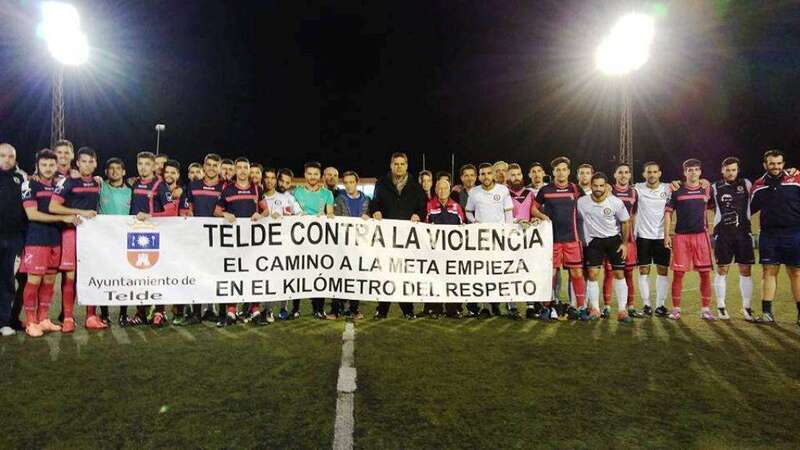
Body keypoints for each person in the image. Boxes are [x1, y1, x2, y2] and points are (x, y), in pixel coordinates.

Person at [19, 150, 80, 337]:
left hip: (55, 239)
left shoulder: (58, 186)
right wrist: (63, 218)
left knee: (49, 282)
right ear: (37, 165)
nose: (47, 168)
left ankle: (44, 319)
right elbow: (32, 214)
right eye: (44, 165)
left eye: (51, 165)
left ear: (56, 166)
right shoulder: (29, 184)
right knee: (34, 281)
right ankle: (31, 322)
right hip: (37, 239)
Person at [49, 147, 103, 331]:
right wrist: (79, 213)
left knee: (91, 274)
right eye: (84, 161)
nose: (87, 165)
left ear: (95, 164)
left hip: (92, 236)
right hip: (71, 234)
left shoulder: (98, 183)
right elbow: (53, 206)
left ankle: (91, 317)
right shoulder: (68, 182)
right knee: (70, 276)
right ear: (78, 163)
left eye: (91, 161)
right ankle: (68, 318)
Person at [369, 152, 427, 319]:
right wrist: (376, 211)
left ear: (407, 166)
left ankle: (408, 310)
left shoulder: (416, 186)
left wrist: (418, 215)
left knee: (404, 275)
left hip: (407, 239)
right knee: (386, 274)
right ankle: (382, 309)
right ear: (391, 165)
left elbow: (422, 207)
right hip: (387, 237)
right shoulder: (381, 183)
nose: (399, 167)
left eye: (402, 164)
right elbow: (374, 202)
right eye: (396, 164)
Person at [122, 151, 176, 327]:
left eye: (147, 164)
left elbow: (171, 211)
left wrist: (150, 216)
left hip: (155, 236)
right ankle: (141, 312)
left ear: (153, 166)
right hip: (136, 236)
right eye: (140, 164)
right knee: (138, 275)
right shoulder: (135, 183)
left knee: (156, 275)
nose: (143, 167)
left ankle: (160, 311)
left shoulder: (160, 186)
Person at [532, 156, 587, 321]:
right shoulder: (545, 190)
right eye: (558, 170)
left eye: (564, 169)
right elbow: (533, 209)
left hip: (572, 238)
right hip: (552, 239)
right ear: (553, 172)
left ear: (568, 172)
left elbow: (588, 205)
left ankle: (581, 307)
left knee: (577, 272)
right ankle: (546, 306)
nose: (561, 172)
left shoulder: (576, 189)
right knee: (551, 274)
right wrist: (543, 216)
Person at [749, 149, 800, 325]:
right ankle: (767, 314)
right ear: (765, 165)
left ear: (783, 164)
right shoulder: (759, 185)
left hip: (795, 232)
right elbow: (748, 210)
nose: (776, 166)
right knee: (768, 271)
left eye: (779, 163)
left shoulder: (796, 179)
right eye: (772, 163)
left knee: (796, 272)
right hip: (769, 235)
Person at [214, 157, 266, 326]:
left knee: (253, 273)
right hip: (233, 241)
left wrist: (260, 214)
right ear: (235, 170)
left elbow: (266, 210)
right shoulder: (228, 189)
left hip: (252, 240)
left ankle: (255, 310)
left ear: (249, 170)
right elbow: (216, 211)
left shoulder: (257, 189)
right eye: (240, 167)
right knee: (233, 274)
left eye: (246, 167)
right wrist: (225, 214)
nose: (243, 171)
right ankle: (231, 311)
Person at [664, 159, 714, 321]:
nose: (693, 172)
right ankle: (676, 309)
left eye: (696, 169)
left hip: (701, 236)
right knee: (678, 274)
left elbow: (715, 207)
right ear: (684, 172)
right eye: (690, 170)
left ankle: (705, 309)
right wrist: (667, 235)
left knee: (705, 274)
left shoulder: (707, 188)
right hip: (681, 237)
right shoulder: (676, 190)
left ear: (700, 172)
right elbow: (668, 213)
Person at [578, 172, 632, 322]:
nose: (598, 188)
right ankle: (595, 309)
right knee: (592, 274)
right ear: (591, 186)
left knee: (619, 274)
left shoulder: (615, 202)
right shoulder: (582, 202)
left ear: (606, 186)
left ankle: (622, 310)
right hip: (594, 241)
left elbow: (625, 222)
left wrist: (625, 244)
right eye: (595, 185)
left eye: (601, 185)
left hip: (613, 240)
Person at [179, 153, 225, 324]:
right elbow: (186, 209)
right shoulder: (193, 186)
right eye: (209, 164)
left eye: (215, 165)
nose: (211, 168)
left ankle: (220, 312)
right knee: (198, 274)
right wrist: (188, 214)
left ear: (219, 168)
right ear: (204, 166)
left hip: (220, 239)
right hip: (198, 238)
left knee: (219, 275)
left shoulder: (225, 186)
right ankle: (197, 313)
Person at [465, 163, 514, 318]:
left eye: (488, 173)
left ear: (493, 174)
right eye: (483, 174)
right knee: (484, 273)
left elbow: (508, 213)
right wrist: (474, 222)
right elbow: (468, 212)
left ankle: (507, 306)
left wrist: (508, 233)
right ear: (479, 176)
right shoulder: (474, 192)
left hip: (500, 239)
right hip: (482, 239)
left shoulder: (503, 190)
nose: (486, 176)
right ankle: (485, 307)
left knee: (503, 272)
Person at [710, 157, 754, 321]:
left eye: (733, 170)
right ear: (722, 170)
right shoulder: (715, 187)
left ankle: (746, 307)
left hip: (743, 233)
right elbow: (702, 194)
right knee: (722, 270)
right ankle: (721, 307)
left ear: (738, 170)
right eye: (727, 170)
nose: (730, 173)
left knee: (745, 270)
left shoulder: (746, 184)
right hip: (723, 234)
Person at [292, 161, 335, 319]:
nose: (312, 177)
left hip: (320, 241)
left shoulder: (327, 194)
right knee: (297, 272)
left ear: (320, 175)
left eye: (315, 174)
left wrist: (327, 215)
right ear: (305, 175)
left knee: (320, 272)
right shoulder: (296, 192)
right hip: (300, 240)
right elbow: (291, 213)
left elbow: (330, 214)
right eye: (309, 173)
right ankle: (295, 308)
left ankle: (318, 308)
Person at [261, 167, 302, 322]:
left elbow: (300, 214)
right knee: (269, 279)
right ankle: (268, 310)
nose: (283, 184)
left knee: (284, 277)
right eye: (281, 181)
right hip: (265, 245)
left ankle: (283, 308)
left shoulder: (289, 198)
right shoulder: (261, 195)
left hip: (284, 245)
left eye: (287, 182)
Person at [601, 163, 641, 318]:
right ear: (615, 175)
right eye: (620, 172)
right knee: (609, 273)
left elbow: (633, 214)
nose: (623, 175)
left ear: (630, 175)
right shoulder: (608, 190)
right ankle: (607, 306)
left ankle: (630, 306)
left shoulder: (634, 192)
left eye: (626, 172)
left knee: (629, 273)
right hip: (611, 237)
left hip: (628, 239)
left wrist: (633, 234)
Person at [329, 170, 370, 320]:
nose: (349, 185)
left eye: (351, 182)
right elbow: (335, 220)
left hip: (359, 245)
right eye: (346, 183)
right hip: (343, 244)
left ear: (356, 182)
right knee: (339, 277)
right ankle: (336, 309)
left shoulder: (366, 200)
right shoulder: (339, 199)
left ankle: (354, 309)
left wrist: (370, 216)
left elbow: (372, 217)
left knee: (356, 277)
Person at [634, 161, 672, 317]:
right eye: (649, 172)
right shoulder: (637, 188)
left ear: (660, 173)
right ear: (644, 174)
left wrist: (704, 182)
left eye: (655, 172)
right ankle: (647, 305)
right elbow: (620, 189)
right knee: (644, 270)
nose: (652, 175)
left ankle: (660, 305)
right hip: (643, 236)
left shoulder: (668, 188)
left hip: (662, 236)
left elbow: (688, 185)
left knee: (662, 270)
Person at [97, 157, 131, 325]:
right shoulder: (99, 186)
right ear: (106, 172)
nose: (115, 171)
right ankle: (105, 314)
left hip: (124, 241)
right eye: (111, 168)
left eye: (118, 168)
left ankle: (123, 314)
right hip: (103, 241)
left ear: (124, 172)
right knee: (104, 277)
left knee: (124, 277)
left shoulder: (131, 191)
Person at [425, 178, 466, 318]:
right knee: (435, 280)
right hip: (435, 252)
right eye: (440, 188)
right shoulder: (429, 206)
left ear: (450, 190)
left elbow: (463, 227)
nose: (442, 191)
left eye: (445, 188)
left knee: (452, 280)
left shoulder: (456, 207)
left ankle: (452, 309)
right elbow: (423, 227)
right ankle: (436, 309)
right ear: (436, 190)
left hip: (452, 253)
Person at [0, 143, 27, 337]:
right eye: (2, 155)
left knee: (7, 281)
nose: (7, 159)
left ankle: (3, 322)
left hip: (13, 238)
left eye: (10, 156)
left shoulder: (21, 178)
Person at [506, 163, 537, 318]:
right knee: (510, 272)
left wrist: (537, 218)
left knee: (528, 271)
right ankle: (512, 306)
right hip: (509, 238)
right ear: (507, 177)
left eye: (518, 174)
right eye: (513, 175)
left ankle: (530, 305)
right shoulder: (504, 193)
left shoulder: (530, 193)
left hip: (528, 239)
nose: (516, 177)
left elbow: (534, 211)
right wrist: (517, 221)